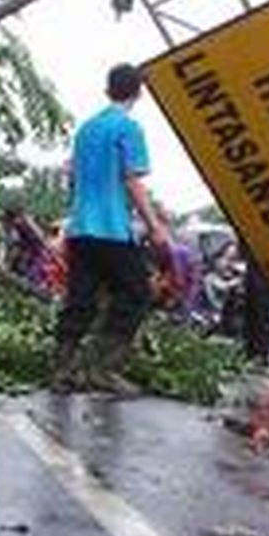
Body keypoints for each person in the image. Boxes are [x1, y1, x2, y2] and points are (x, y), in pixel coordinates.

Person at [51, 63, 170, 395]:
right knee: (137, 293)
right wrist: (155, 226)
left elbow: (72, 175)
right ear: (138, 93)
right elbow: (132, 181)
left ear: (108, 90)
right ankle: (102, 368)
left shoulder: (87, 128)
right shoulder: (128, 128)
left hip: (80, 228)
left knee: (80, 299)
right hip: (112, 228)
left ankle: (62, 371)